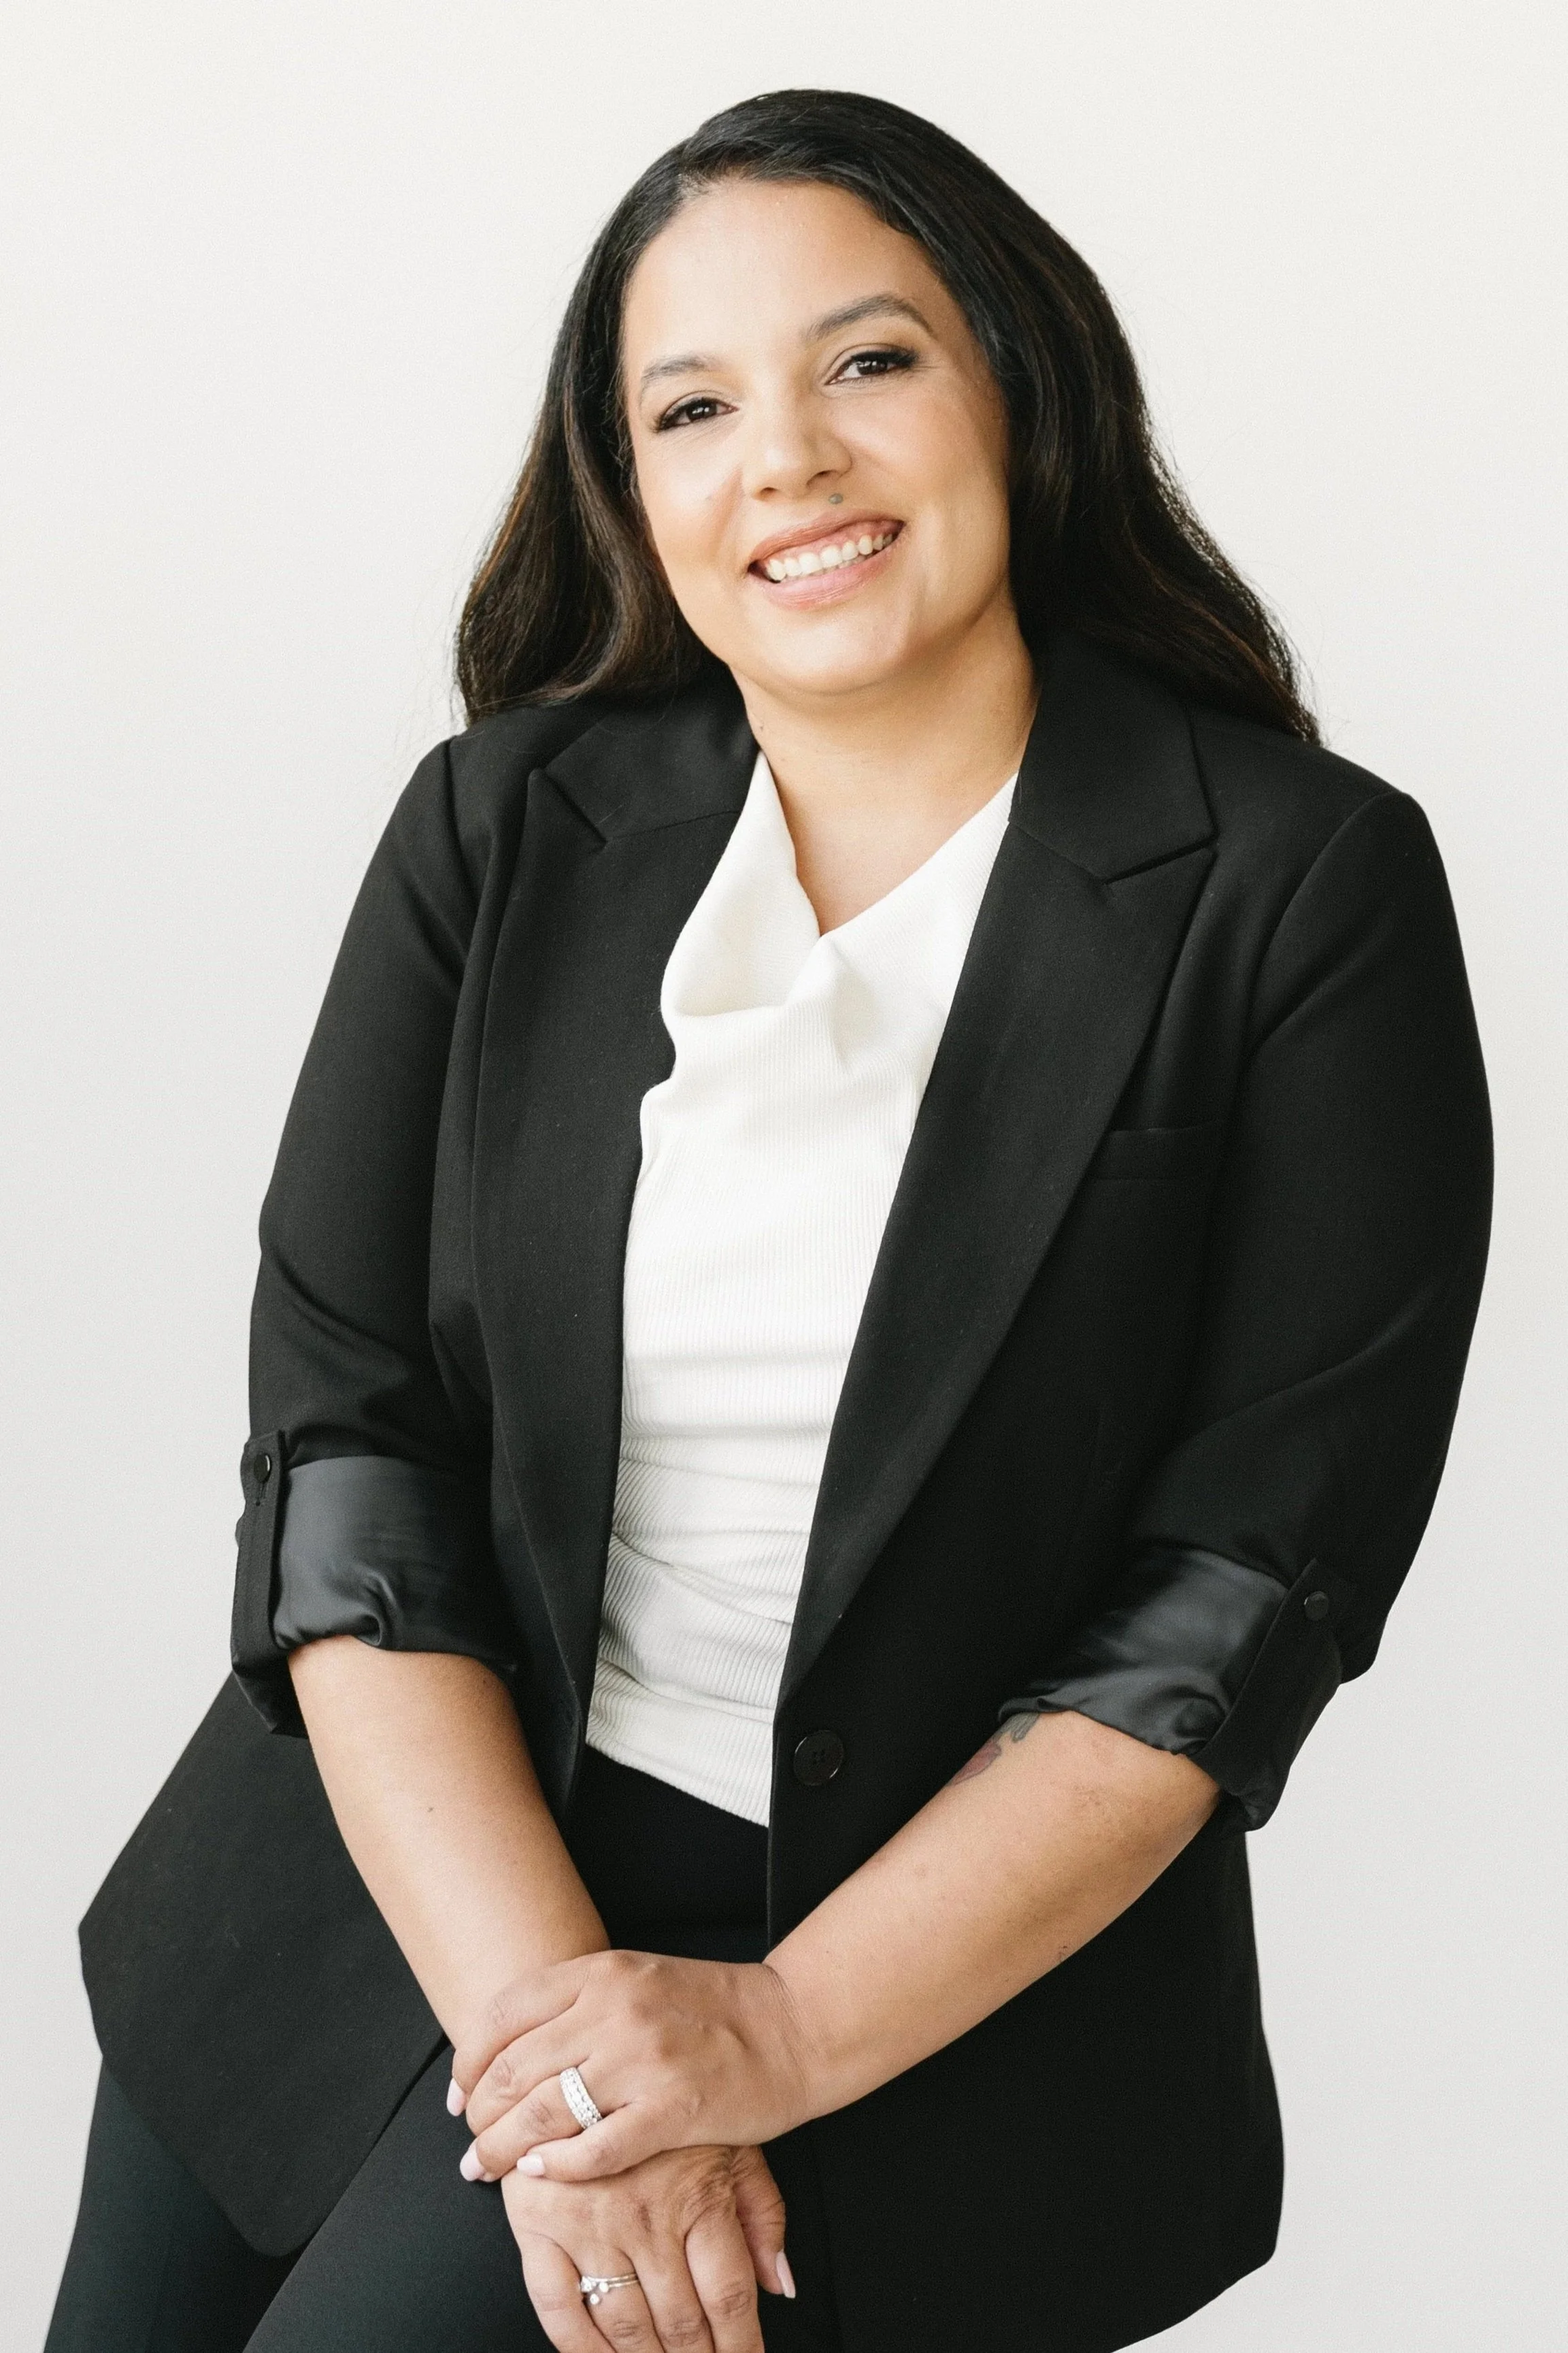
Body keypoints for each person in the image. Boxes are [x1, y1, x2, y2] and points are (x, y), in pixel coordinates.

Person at [46, 86, 1491, 2353]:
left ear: (1019, 382)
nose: (789, 461)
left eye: (871, 361)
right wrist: (580, 2073)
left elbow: (1232, 1608)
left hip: (913, 1984)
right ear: (632, 493)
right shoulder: (502, 828)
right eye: (694, 405)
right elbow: (349, 1464)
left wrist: (764, 2043)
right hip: (369, 1890)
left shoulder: (1300, 892)